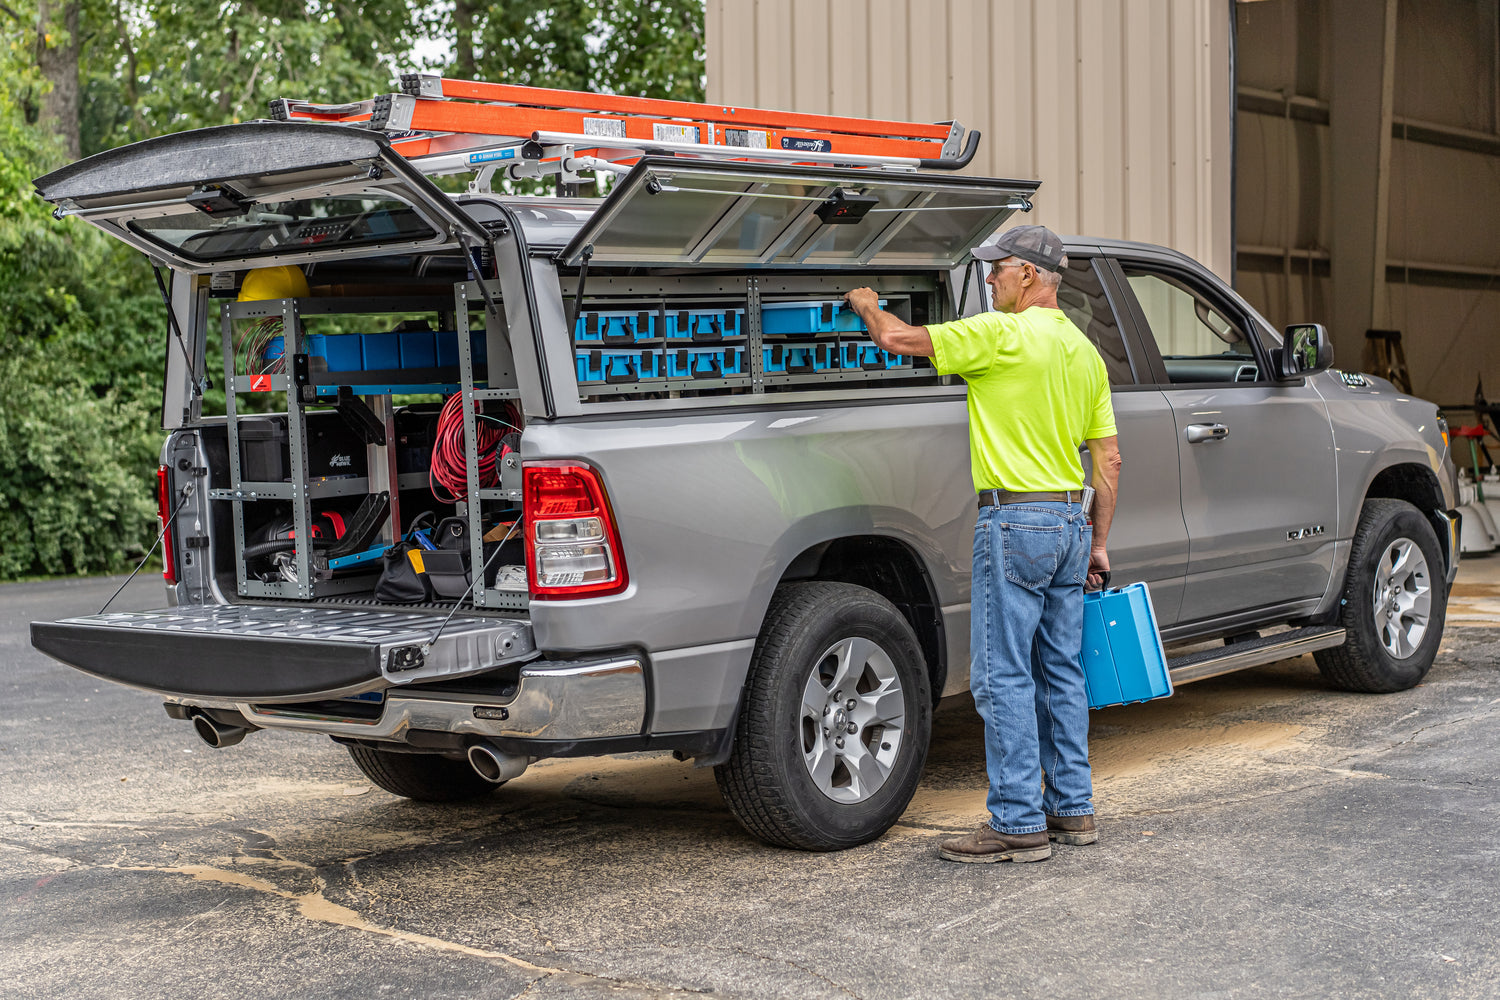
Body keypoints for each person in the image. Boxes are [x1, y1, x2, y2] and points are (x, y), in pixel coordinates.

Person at [844, 224, 1121, 864]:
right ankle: (1071, 812)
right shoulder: (1084, 352)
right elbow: (1107, 459)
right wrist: (1099, 544)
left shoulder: (998, 335)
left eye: (997, 269)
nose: (990, 279)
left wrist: (864, 301)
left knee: (1002, 677)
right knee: (1061, 672)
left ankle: (1017, 822)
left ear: (1028, 275)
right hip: (1070, 526)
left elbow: (895, 338)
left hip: (1016, 524)